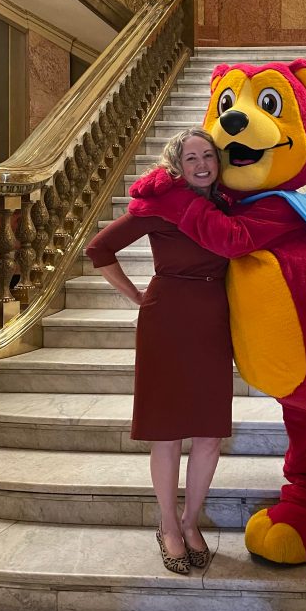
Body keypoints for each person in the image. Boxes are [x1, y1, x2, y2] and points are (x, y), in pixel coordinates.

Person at [86, 128, 232, 575]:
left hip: (213, 321)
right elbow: (99, 247)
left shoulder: (229, 204)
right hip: (166, 320)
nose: (202, 165)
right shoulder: (160, 205)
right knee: (167, 432)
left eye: (208, 155)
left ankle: (190, 521)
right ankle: (168, 525)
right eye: (191, 158)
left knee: (209, 433)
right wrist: (135, 295)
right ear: (177, 166)